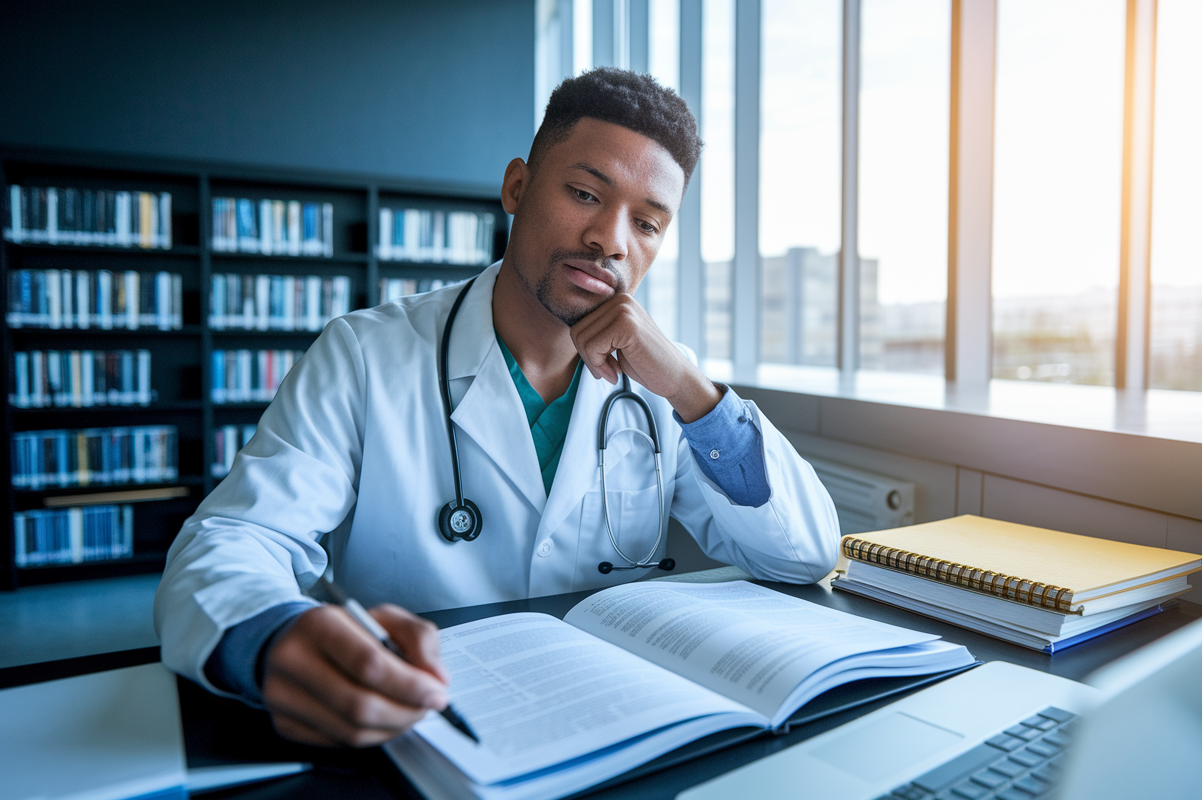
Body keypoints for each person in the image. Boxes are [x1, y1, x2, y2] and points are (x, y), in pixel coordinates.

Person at [155, 68, 839, 748]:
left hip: (606, 724)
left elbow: (802, 554)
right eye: (584, 193)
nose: (610, 239)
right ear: (517, 187)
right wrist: (273, 636)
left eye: (648, 223)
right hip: (418, 723)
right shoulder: (364, 355)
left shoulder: (665, 391)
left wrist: (692, 389)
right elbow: (236, 539)